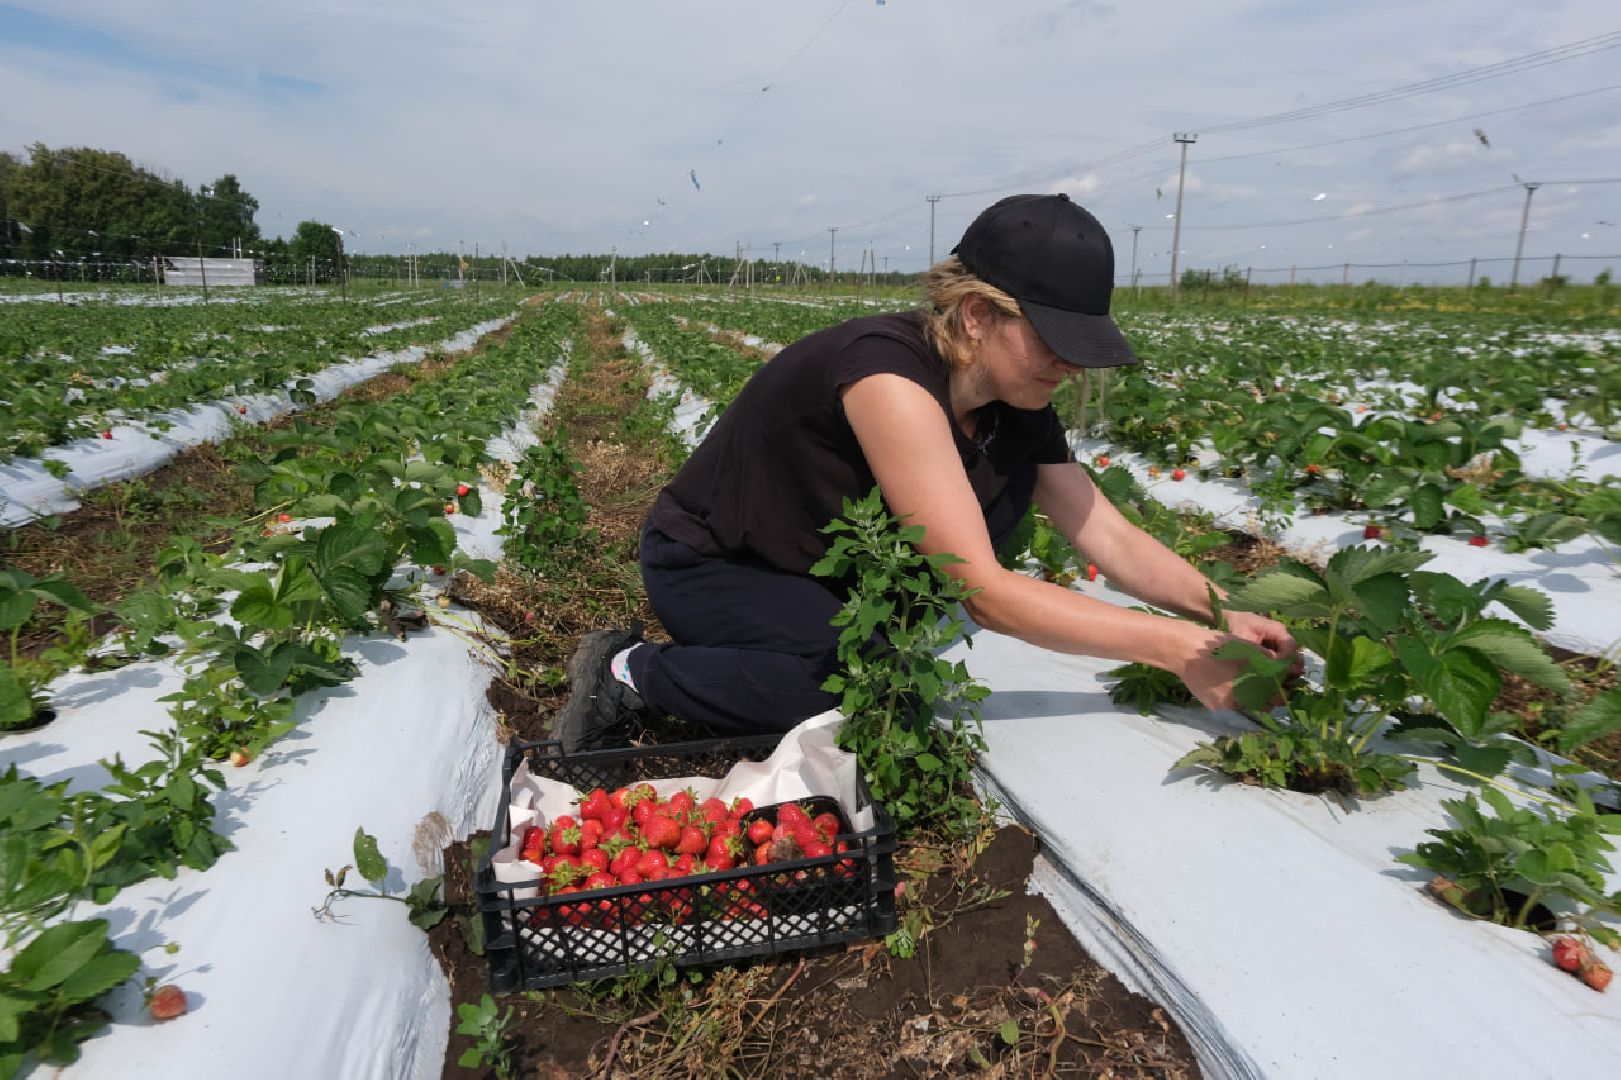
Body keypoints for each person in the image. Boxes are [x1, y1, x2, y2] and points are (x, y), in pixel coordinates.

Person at [552, 193, 1297, 751]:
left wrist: (1217, 611)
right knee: (863, 688)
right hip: (717, 567)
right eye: (1054, 340)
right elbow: (983, 591)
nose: (1070, 363)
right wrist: (1172, 649)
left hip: (816, 579)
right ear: (975, 314)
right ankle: (631, 672)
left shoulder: (1014, 399)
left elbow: (1108, 534)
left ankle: (771, 654)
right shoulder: (887, 376)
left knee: (878, 665)